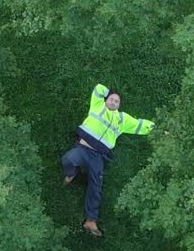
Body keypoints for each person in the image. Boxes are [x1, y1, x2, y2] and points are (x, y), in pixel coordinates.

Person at [60, 83, 154, 237]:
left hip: (98, 156)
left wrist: (159, 128)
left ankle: (91, 221)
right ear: (106, 100)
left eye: (117, 101)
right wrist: (107, 91)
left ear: (119, 106)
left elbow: (140, 125)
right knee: (68, 159)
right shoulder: (97, 106)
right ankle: (72, 174)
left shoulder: (122, 119)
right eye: (111, 99)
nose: (113, 102)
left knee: (96, 186)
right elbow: (98, 89)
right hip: (83, 149)